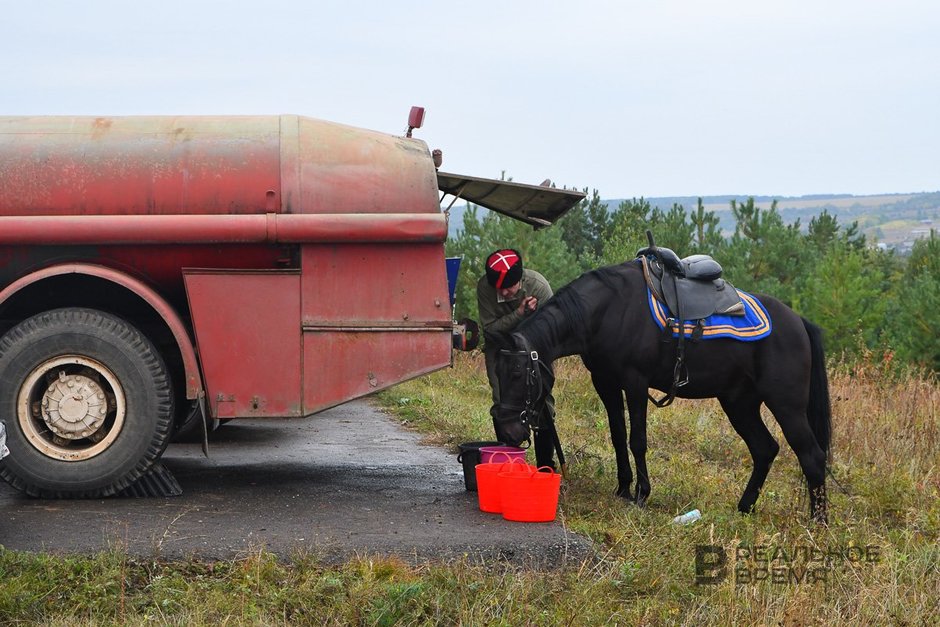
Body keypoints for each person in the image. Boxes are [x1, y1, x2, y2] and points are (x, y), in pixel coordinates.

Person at [476, 248, 556, 465]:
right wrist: (519, 314)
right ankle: (509, 463)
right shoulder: (485, 288)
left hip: (535, 350)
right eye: (498, 288)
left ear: (520, 280)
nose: (503, 293)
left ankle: (545, 465)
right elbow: (491, 330)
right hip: (500, 350)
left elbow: (553, 330)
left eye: (508, 287)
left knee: (543, 401)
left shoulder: (538, 287)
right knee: (503, 402)